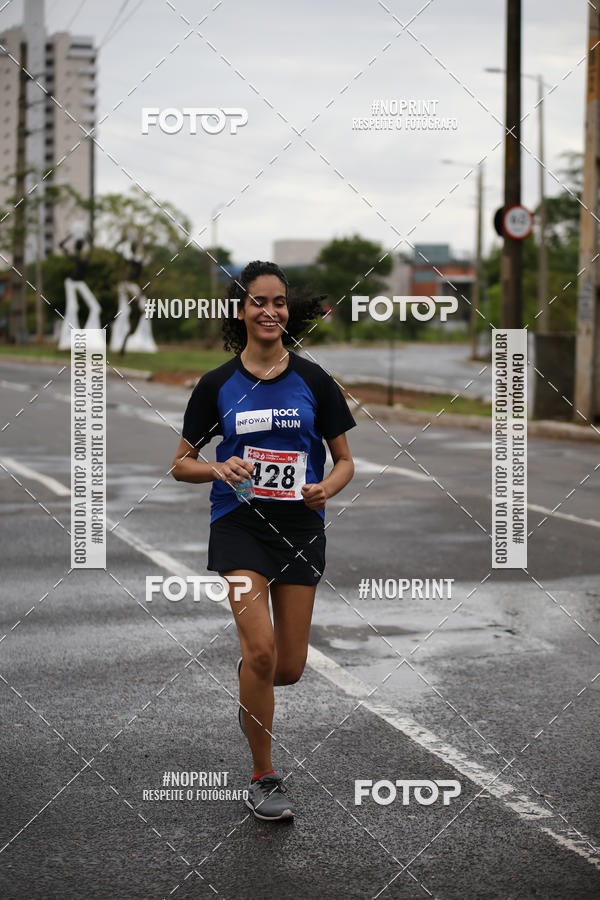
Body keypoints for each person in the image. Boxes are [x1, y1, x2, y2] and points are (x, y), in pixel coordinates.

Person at [171, 260, 356, 821]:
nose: (269, 311)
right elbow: (180, 464)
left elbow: (346, 461)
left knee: (288, 667)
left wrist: (326, 486)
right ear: (241, 310)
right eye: (258, 301)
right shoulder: (216, 385)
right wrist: (218, 468)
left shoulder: (314, 381)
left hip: (299, 528)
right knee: (261, 648)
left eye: (278, 302)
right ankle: (264, 775)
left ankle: (254, 672)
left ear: (287, 311)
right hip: (240, 526)